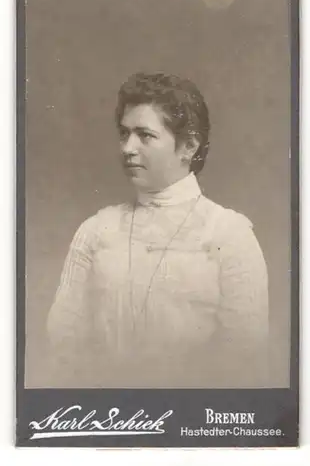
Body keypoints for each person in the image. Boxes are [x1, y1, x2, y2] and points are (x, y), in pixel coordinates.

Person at [47, 72, 269, 388]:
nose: (128, 147)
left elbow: (244, 355)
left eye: (145, 135)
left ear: (189, 146)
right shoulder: (96, 231)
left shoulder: (229, 234)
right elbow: (63, 341)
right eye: (124, 134)